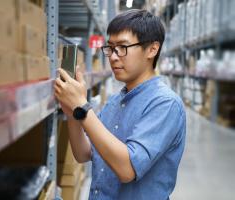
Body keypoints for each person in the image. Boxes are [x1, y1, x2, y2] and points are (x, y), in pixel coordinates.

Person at [54, 9, 186, 200]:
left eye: (122, 47)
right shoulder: (115, 101)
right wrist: (72, 113)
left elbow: (127, 170)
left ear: (152, 49)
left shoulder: (165, 104)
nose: (113, 57)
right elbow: (84, 153)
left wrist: (82, 107)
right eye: (110, 48)